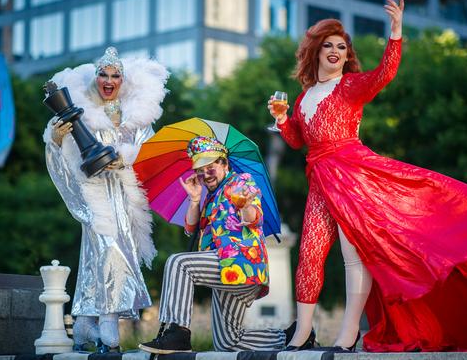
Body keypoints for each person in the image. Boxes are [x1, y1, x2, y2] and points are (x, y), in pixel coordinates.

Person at [269, 0, 467, 353]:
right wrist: (283, 118)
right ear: (315, 51)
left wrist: (395, 33)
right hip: (320, 180)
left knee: (354, 256)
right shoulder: (303, 99)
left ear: (347, 55)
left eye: (342, 46)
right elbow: (299, 141)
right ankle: (302, 333)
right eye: (329, 45)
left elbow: (385, 74)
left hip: (353, 177)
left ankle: (347, 336)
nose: (336, 50)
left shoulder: (350, 87)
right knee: (309, 253)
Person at [43, 47, 169, 352]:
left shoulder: (136, 117)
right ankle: (107, 320)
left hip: (124, 196)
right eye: (103, 74)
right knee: (103, 249)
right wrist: (57, 139)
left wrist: (123, 160)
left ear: (122, 80)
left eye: (115, 75)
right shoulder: (82, 112)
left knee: (107, 254)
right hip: (94, 196)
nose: (108, 80)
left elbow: (149, 155)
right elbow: (64, 160)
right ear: (96, 78)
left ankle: (87, 323)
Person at [139, 136, 286, 354]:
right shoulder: (210, 196)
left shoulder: (240, 182)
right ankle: (290, 336)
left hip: (240, 262)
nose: (205, 173)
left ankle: (178, 333)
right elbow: (191, 228)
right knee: (228, 342)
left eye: (210, 167)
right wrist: (195, 200)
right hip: (225, 269)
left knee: (179, 264)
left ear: (224, 163)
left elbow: (254, 218)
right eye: (199, 169)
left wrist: (245, 205)